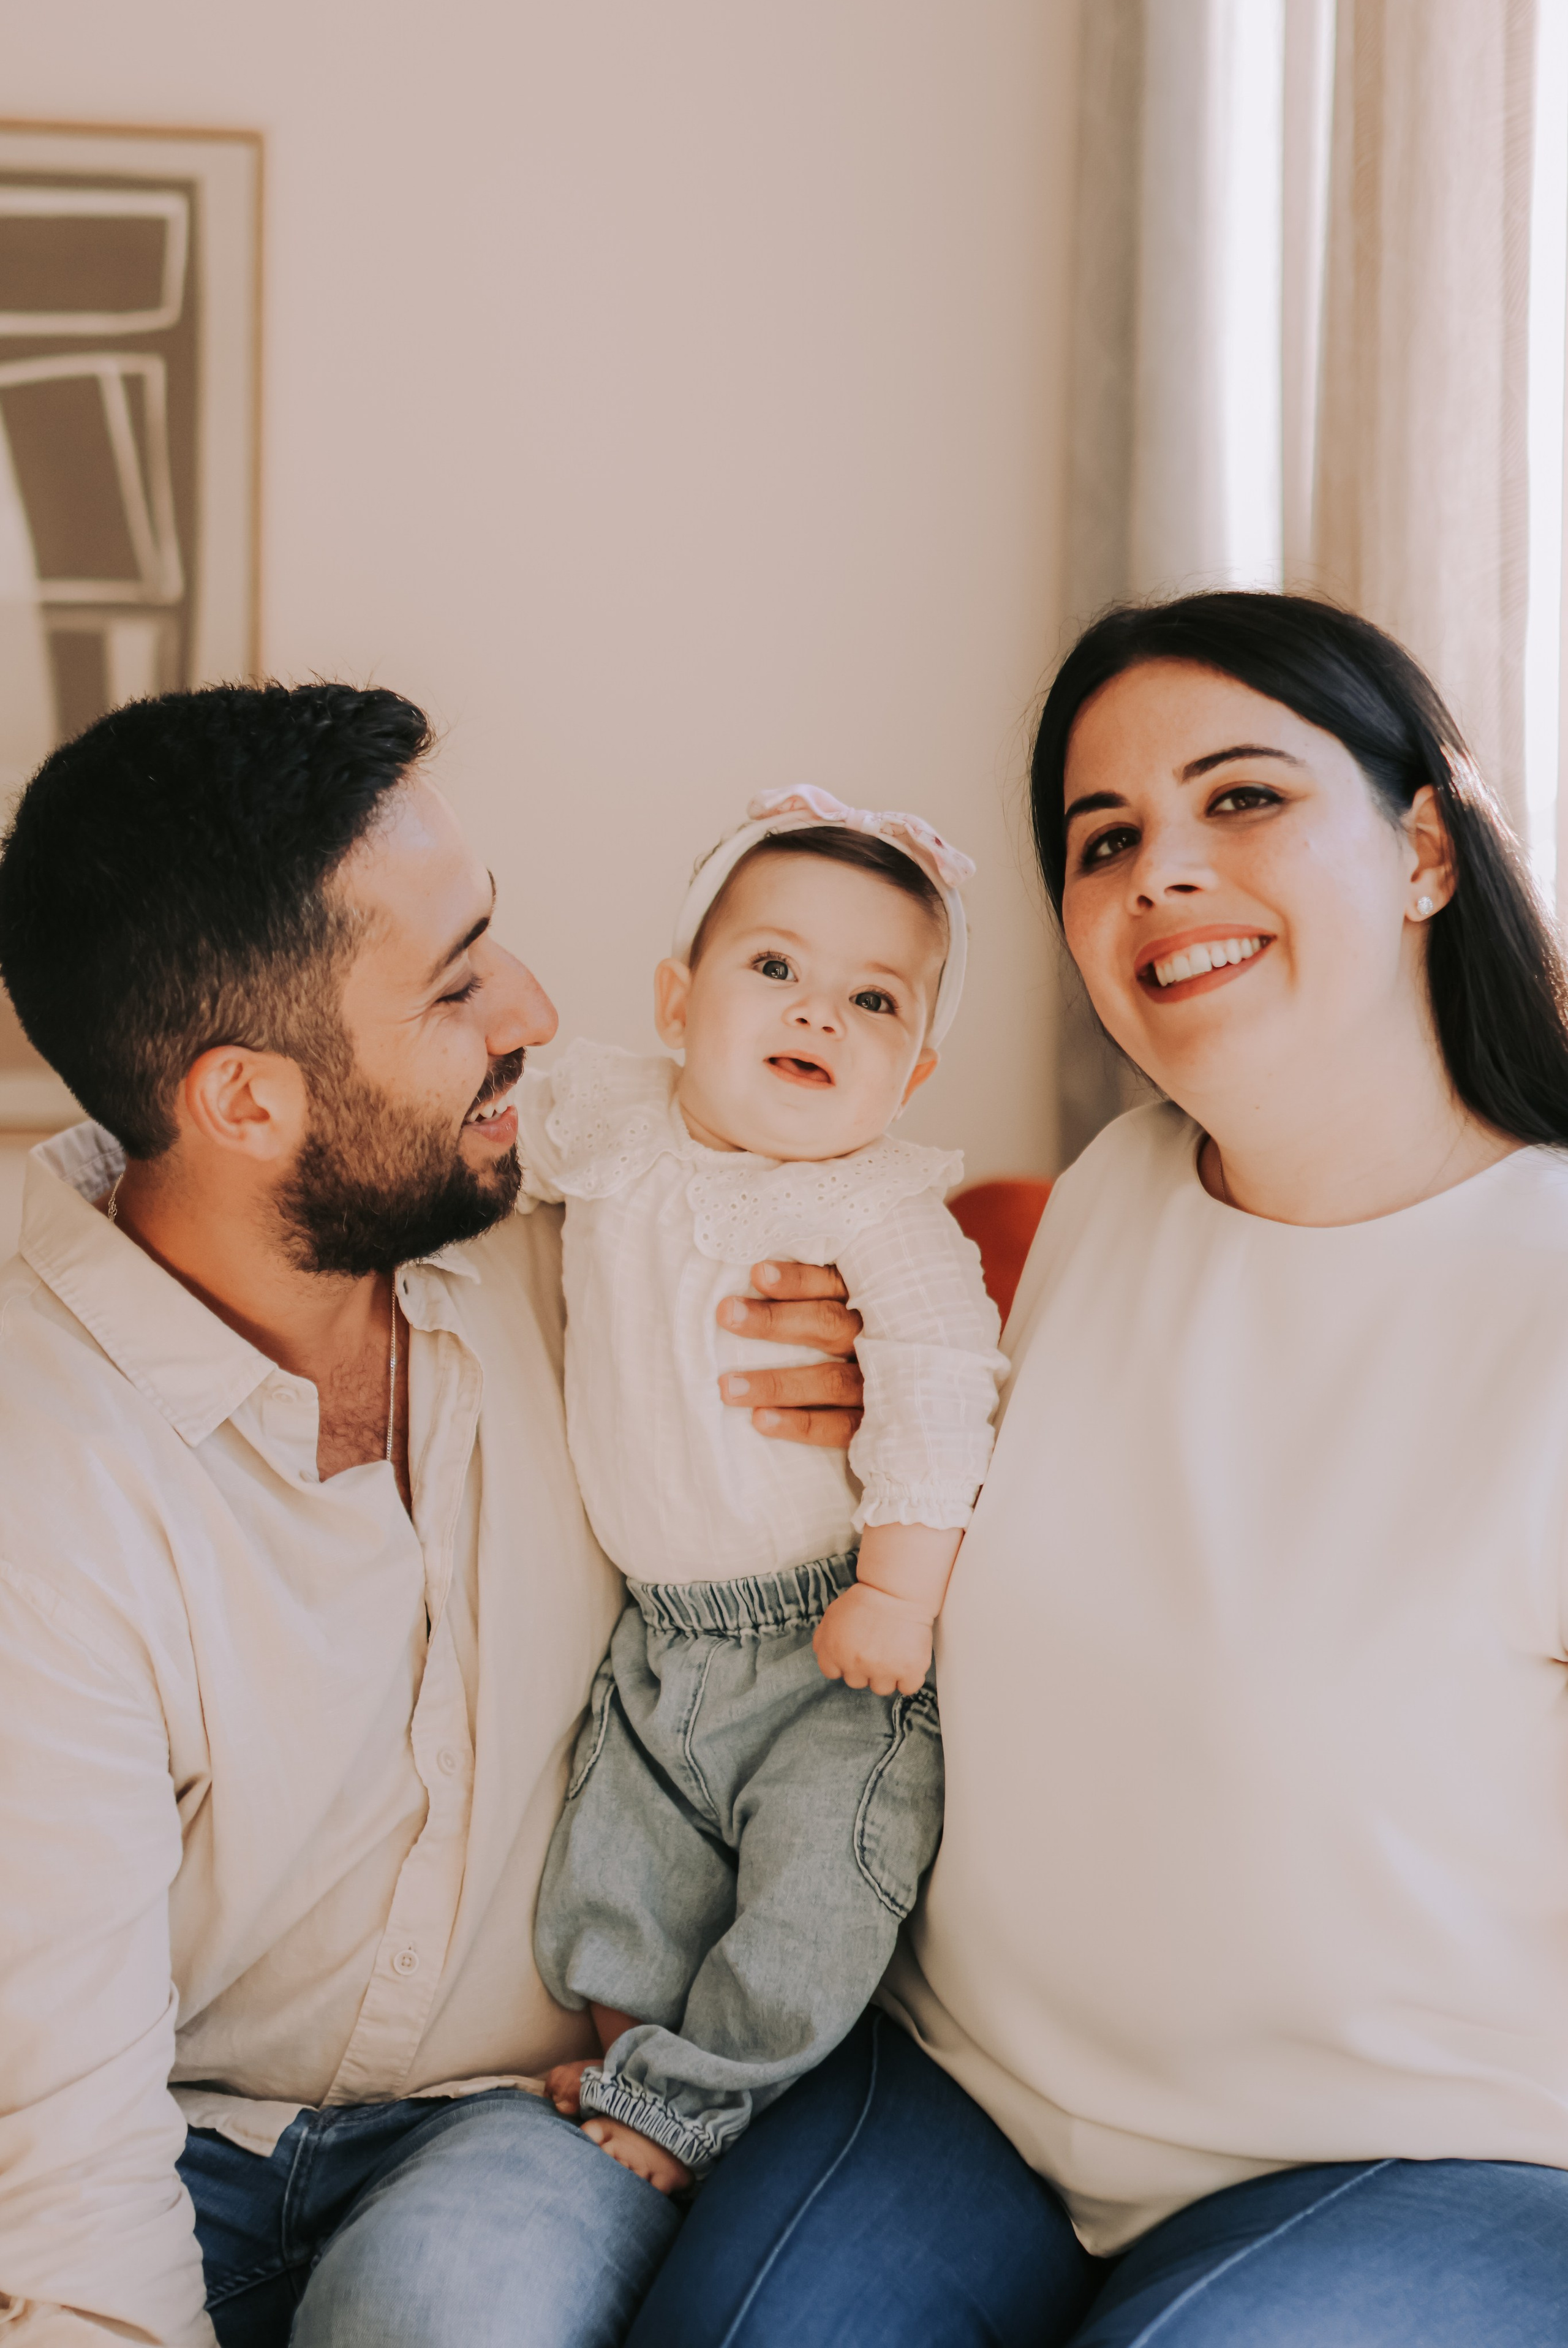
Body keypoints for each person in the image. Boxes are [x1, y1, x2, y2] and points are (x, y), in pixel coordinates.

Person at [627, 592, 1568, 2347]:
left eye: (1245, 801)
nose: (1162, 875)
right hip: (974, 2086)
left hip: (1427, 2154)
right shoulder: (1106, 1203)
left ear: (1426, 847)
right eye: (1106, 839)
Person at [0, 685, 863, 2348]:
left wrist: (845, 1392)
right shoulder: (46, 1485)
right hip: (165, 2134)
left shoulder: (585, 1221)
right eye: (458, 983)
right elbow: (65, 2162)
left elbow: (842, 1183)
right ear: (248, 1102)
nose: (536, 1007)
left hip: (520, 2123)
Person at [525, 788, 1003, 2190]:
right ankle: (633, 2061)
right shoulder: (608, 1127)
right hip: (658, 1631)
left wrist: (896, 1591)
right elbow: (483, 1142)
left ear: (910, 1072)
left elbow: (937, 1384)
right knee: (614, 1861)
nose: (817, 1016)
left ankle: (698, 2100)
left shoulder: (879, 1214)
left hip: (826, 1646)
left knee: (819, 1883)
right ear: (676, 1003)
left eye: (873, 1001)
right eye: (774, 969)